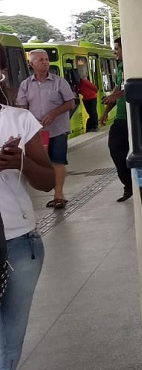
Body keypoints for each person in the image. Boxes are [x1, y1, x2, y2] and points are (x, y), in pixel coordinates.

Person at [0, 47, 56, 370]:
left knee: (7, 344)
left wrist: (19, 161)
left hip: (18, 245)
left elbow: (48, 180)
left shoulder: (19, 121)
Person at [17, 49, 75, 210]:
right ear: (31, 64)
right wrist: (31, 120)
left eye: (47, 59)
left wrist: (54, 113)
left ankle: (58, 195)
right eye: (41, 60)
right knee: (40, 162)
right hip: (36, 133)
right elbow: (21, 107)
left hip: (58, 129)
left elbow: (70, 103)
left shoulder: (59, 82)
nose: (45, 62)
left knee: (58, 161)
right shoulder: (25, 85)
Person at [100, 38, 133, 203]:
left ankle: (133, 184)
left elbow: (131, 88)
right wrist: (106, 111)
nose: (115, 52)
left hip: (132, 116)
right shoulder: (120, 67)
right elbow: (118, 88)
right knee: (116, 149)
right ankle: (128, 183)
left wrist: (115, 95)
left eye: (117, 49)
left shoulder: (134, 66)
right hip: (120, 117)